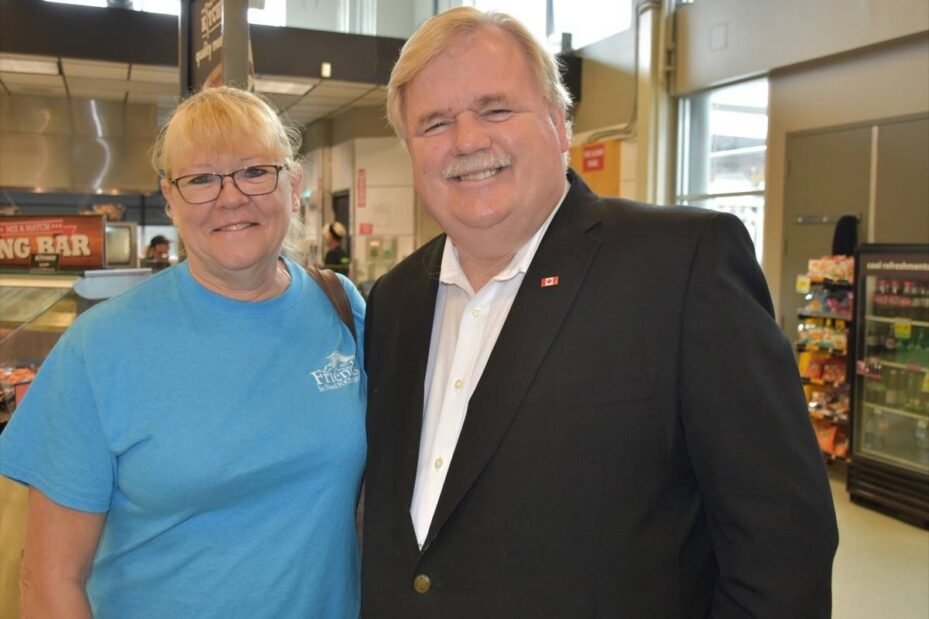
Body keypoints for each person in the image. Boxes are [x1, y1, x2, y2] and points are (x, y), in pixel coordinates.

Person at [361, 7, 838, 617]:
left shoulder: (681, 267)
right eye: (434, 123)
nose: (468, 140)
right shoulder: (394, 300)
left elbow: (782, 547)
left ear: (559, 124)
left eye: (496, 109)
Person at [0, 86, 366, 618]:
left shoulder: (341, 307)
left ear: (293, 185)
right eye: (200, 179)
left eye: (255, 171)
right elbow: (50, 580)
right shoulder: (99, 348)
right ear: (170, 200)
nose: (230, 197)